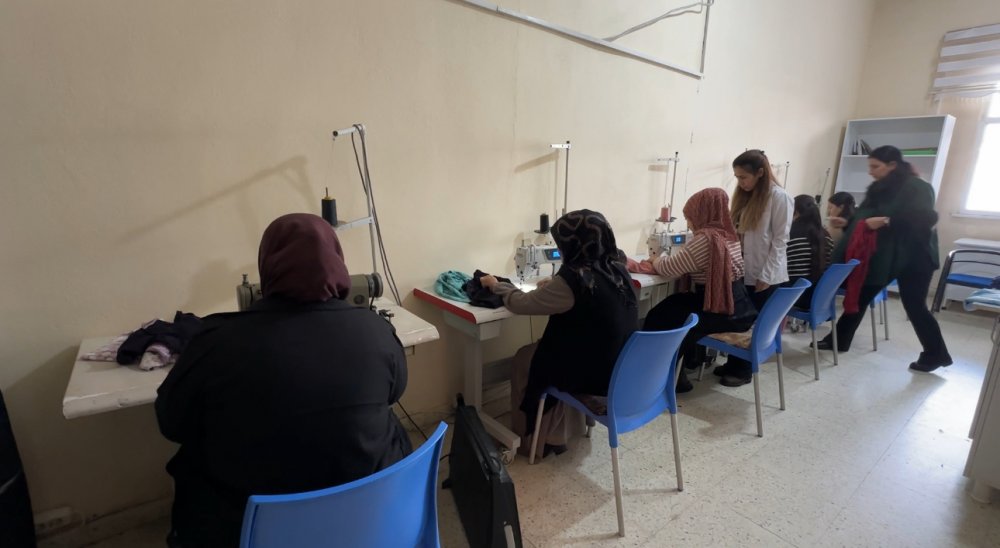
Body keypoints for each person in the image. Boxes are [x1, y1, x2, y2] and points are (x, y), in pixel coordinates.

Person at [156, 213, 411, 547]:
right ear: (336, 262)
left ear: (268, 266)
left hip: (251, 531)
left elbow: (172, 423)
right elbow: (395, 391)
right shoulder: (375, 330)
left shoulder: (215, 341)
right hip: (365, 518)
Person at [480, 210, 638, 460]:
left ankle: (532, 439)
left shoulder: (573, 279)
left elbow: (521, 303)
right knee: (552, 348)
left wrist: (497, 285)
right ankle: (558, 433)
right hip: (617, 366)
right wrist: (555, 284)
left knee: (523, 358)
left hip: (590, 372)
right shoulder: (617, 267)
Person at [815, 145, 952, 372]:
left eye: (875, 166)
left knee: (915, 306)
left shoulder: (918, 187)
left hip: (915, 258)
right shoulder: (879, 188)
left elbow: (925, 220)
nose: (871, 171)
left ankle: (935, 355)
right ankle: (838, 340)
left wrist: (887, 221)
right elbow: (866, 218)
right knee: (861, 294)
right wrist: (848, 223)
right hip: (884, 256)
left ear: (892, 165)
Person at [630, 188, 758, 392]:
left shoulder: (706, 239)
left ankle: (662, 377)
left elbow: (670, 268)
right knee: (673, 305)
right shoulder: (729, 235)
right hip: (738, 305)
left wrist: (655, 259)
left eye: (689, 218)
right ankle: (679, 371)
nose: (689, 224)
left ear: (703, 214)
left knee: (660, 316)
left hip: (720, 310)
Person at [716, 150, 793, 384]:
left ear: (760, 173)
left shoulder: (779, 197)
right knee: (740, 320)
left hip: (766, 274)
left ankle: (743, 371)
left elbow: (780, 241)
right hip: (745, 271)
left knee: (753, 325)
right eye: (737, 177)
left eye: (743, 177)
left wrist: (766, 275)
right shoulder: (746, 197)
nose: (740, 182)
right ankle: (733, 363)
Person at [787, 194, 834, 307]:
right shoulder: (826, 235)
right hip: (819, 296)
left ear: (795, 212)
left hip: (794, 296)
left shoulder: (790, 233)